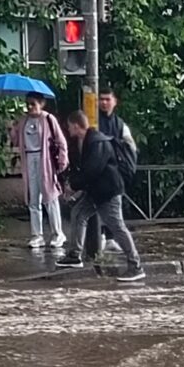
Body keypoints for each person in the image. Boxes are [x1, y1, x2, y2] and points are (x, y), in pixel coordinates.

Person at [57, 110, 144, 282]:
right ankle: (74, 255)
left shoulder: (97, 142)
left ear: (76, 125)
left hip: (108, 193)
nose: (68, 130)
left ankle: (136, 266)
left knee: (117, 227)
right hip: (96, 191)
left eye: (69, 127)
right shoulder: (88, 141)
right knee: (79, 214)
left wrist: (73, 186)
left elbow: (92, 170)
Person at [8, 92, 68, 250]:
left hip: (45, 160)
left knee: (50, 197)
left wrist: (62, 161)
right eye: (27, 103)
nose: (29, 107)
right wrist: (12, 129)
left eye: (33, 103)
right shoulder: (23, 120)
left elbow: (61, 141)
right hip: (29, 159)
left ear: (41, 104)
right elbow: (17, 142)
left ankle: (57, 233)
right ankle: (37, 235)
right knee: (33, 198)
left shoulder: (48, 119)